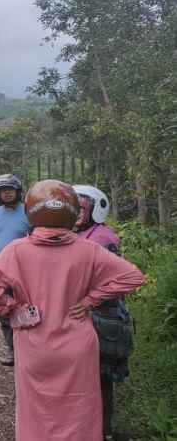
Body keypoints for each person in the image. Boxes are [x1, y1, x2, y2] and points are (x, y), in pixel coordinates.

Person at [0, 180, 145, 441]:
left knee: (34, 409)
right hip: (77, 345)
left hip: (33, 345)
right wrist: (91, 299)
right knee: (80, 407)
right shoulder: (89, 250)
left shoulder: (16, 251)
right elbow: (133, 277)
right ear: (72, 212)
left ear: (31, 211)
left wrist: (14, 309)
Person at [73, 184, 131, 439]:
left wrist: (88, 300)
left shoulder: (101, 238)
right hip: (89, 314)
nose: (73, 214)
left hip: (102, 316)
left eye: (79, 209)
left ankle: (102, 430)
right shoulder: (82, 234)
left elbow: (114, 281)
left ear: (95, 210)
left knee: (100, 377)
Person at [0, 173, 30, 366]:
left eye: (10, 190)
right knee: (3, 309)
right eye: (2, 191)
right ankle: (12, 350)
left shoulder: (29, 212)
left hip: (23, 270)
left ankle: (28, 349)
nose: (6, 194)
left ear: (17, 191)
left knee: (26, 308)